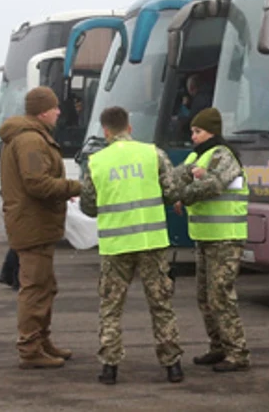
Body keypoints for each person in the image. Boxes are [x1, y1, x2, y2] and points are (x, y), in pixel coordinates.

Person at [80, 106, 184, 385]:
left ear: (105, 131)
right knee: (160, 303)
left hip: (116, 245)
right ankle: (172, 364)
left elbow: (88, 206)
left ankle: (110, 367)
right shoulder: (153, 153)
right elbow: (173, 191)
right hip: (151, 241)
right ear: (130, 127)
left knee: (111, 306)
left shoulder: (96, 161)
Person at [0, 86, 82, 369]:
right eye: (56, 107)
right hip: (32, 224)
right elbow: (37, 182)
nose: (59, 112)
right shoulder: (31, 141)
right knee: (35, 288)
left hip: (36, 223)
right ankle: (30, 348)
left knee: (45, 286)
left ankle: (42, 340)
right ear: (43, 111)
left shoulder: (31, 137)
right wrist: (74, 187)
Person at [172, 108, 250, 373]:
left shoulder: (222, 156)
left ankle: (237, 352)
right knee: (204, 297)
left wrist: (184, 193)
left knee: (221, 296)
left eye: (198, 131)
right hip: (205, 238)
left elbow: (213, 186)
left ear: (212, 132)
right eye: (192, 131)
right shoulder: (198, 156)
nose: (193, 136)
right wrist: (176, 192)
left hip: (226, 239)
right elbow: (175, 179)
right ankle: (218, 346)